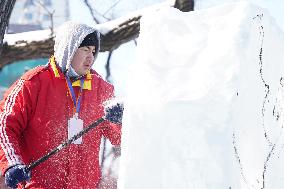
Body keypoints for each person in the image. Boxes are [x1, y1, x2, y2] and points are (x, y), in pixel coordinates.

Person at [0, 21, 122, 188]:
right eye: (85, 50)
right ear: (68, 49)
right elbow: (4, 126)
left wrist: (121, 120)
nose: (91, 57)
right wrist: (12, 163)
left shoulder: (101, 89)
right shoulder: (33, 83)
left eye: (93, 51)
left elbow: (119, 137)